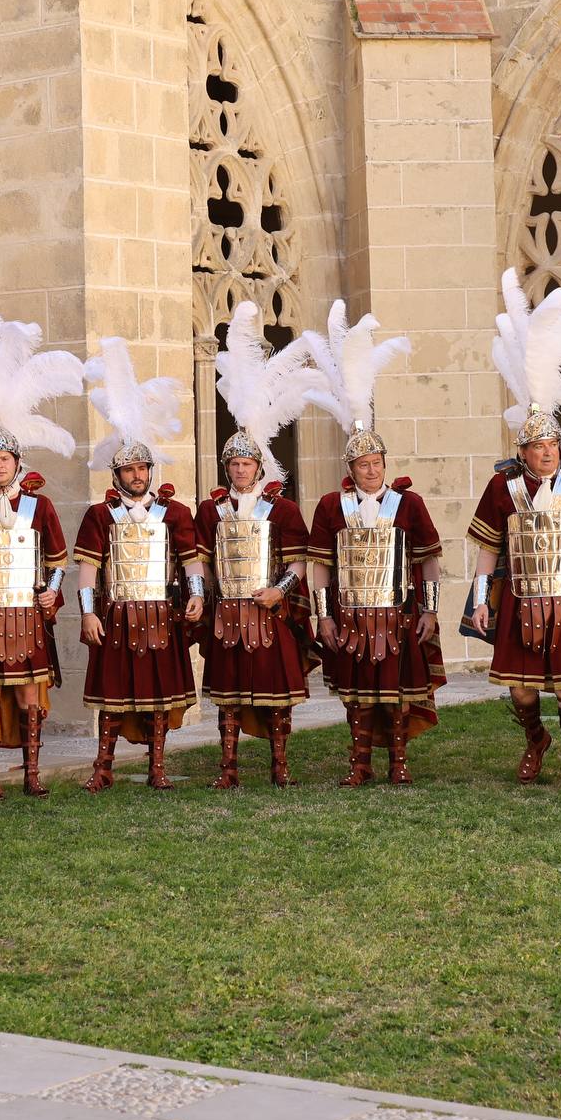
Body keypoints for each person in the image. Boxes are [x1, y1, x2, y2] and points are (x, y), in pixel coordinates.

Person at [467, 273, 561, 791]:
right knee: (523, 693)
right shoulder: (502, 487)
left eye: (553, 443)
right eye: (538, 446)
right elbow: (487, 549)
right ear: (524, 451)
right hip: (519, 596)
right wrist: (478, 601)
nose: (547, 451)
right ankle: (536, 740)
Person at [303, 302, 443, 786]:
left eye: (377, 461)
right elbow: (317, 565)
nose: (371, 469)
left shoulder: (408, 503)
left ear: (385, 462)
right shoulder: (328, 507)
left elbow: (428, 559)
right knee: (357, 694)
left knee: (399, 691)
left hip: (396, 612)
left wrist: (429, 609)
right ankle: (358, 763)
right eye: (363, 463)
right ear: (351, 468)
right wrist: (322, 614)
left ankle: (398, 763)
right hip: (350, 613)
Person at [0, 306, 80, 797]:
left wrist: (51, 595)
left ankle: (31, 773)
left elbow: (58, 561)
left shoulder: (40, 504)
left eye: (5, 459)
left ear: (17, 463)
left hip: (26, 613)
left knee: (30, 696)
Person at [73, 336, 205, 791]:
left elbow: (190, 561)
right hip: (117, 613)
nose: (137, 476)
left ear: (151, 471)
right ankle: (103, 767)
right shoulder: (98, 515)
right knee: (113, 695)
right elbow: (88, 568)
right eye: (129, 471)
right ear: (116, 476)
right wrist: (88, 611)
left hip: (159, 613)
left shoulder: (176, 512)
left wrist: (198, 598)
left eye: (142, 469)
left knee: (158, 696)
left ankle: (158, 767)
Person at [197, 304, 318, 788]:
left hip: (270, 611)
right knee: (228, 696)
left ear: (260, 467)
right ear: (228, 469)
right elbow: (202, 561)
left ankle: (279, 764)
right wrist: (201, 596)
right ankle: (227, 767)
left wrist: (280, 591)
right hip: (227, 612)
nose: (242, 470)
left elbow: (299, 561)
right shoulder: (212, 510)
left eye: (248, 464)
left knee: (275, 695)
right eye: (235, 465)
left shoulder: (283, 510)